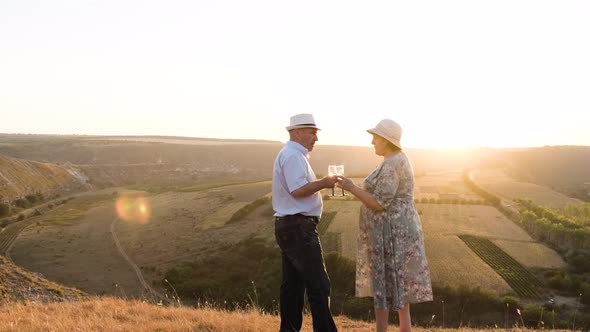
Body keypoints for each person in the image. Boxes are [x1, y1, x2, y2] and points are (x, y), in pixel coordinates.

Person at [336, 119, 433, 332]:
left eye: (376, 137)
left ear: (387, 140)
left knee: (386, 284)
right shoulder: (396, 159)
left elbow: (379, 203)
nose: (372, 141)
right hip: (396, 232)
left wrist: (351, 187)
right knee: (398, 286)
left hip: (392, 235)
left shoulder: (392, 163)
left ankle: (382, 330)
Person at [272, 113, 339, 332]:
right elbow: (298, 190)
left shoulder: (292, 154)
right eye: (312, 133)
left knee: (292, 288)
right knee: (319, 286)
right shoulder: (293, 156)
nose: (315, 138)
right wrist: (324, 183)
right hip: (299, 227)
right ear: (297, 132)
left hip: (289, 226)